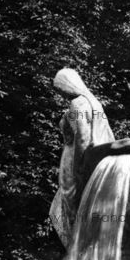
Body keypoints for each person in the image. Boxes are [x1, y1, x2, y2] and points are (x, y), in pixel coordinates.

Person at [49, 68, 115, 248]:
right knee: (68, 209)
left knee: (64, 210)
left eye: (61, 89)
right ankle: (82, 248)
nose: (62, 94)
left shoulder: (78, 103)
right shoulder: (94, 103)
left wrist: (79, 167)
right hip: (96, 160)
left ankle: (77, 249)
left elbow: (83, 138)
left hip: (74, 162)